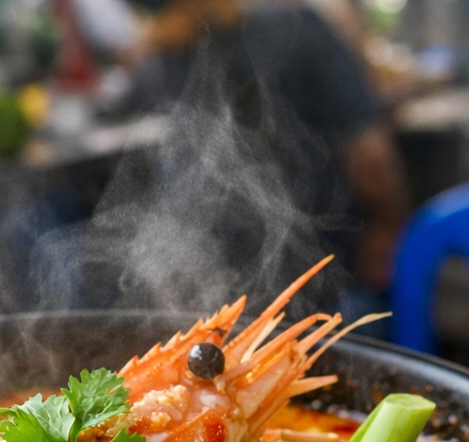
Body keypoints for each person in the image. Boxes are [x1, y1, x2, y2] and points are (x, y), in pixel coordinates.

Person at [131, 0, 412, 301]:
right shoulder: (296, 26)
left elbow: (369, 156)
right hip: (220, 281)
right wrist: (387, 226)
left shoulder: (160, 57)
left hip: (309, 277)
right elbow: (370, 152)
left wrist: (386, 231)